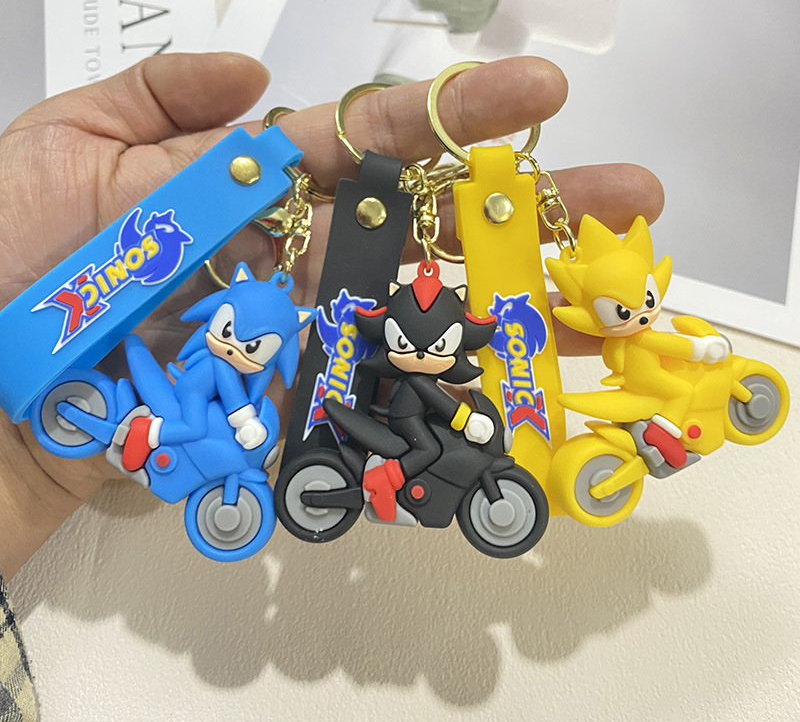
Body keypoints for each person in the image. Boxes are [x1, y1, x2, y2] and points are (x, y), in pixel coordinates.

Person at [0, 52, 661, 720]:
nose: (238, 347)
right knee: (197, 419)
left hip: (379, 416)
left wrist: (467, 415)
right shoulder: (240, 353)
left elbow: (435, 395)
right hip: (211, 404)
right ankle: (157, 435)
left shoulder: (417, 370)